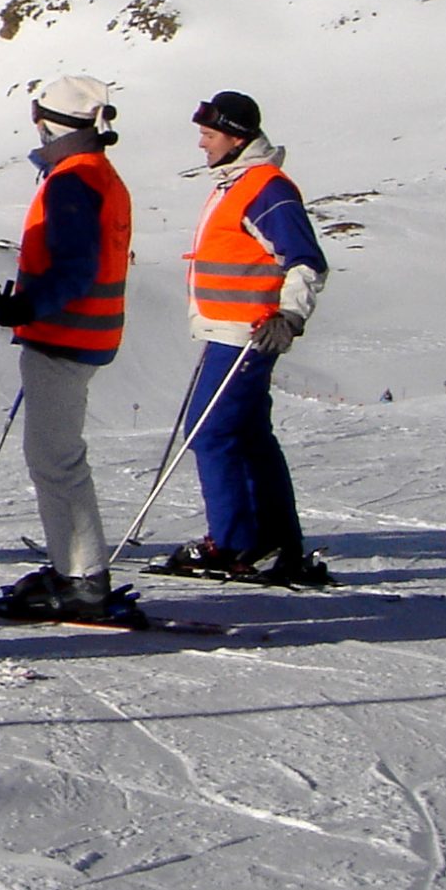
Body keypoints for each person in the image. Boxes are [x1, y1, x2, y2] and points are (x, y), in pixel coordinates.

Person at [0, 77, 143, 624]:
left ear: (49, 123)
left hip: (65, 335)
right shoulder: (95, 172)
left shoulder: (72, 180)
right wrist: (16, 304)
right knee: (56, 456)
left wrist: (20, 308)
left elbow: (74, 268)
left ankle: (82, 579)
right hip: (85, 333)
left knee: (55, 459)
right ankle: (75, 569)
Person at [152, 90, 332, 586]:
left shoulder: (265, 188)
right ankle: (276, 541)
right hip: (230, 330)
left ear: (236, 138)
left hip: (247, 334)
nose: (202, 144)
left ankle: (231, 543)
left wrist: (289, 316)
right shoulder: (237, 183)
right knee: (248, 435)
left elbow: (306, 260)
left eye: (209, 135)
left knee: (210, 431)